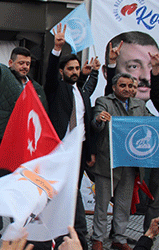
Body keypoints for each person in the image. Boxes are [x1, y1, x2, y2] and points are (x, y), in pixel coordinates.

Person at [0, 10, 48, 248]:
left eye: (28, 64)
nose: (24, 67)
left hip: (25, 149)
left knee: (22, 192)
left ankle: (18, 234)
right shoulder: (0, 75)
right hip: (0, 143)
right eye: (21, 63)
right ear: (11, 63)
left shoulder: (36, 88)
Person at [101, 32, 159, 231]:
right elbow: (157, 95)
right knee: (157, 204)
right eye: (133, 66)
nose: (142, 78)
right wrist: (156, 70)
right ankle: (148, 238)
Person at [43, 26, 99, 250]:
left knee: (72, 197)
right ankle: (54, 238)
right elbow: (49, 79)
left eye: (77, 68)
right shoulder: (57, 89)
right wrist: (57, 48)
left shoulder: (80, 92)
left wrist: (89, 153)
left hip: (77, 154)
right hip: (58, 152)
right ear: (62, 71)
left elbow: (85, 125)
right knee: (58, 197)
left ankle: (77, 240)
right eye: (70, 68)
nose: (74, 71)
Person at [90, 74, 154, 250]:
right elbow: (95, 124)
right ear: (114, 87)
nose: (126, 89)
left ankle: (119, 238)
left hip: (130, 163)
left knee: (123, 205)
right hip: (108, 162)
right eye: (122, 85)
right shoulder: (104, 101)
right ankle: (98, 238)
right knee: (102, 205)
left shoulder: (139, 105)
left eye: (130, 86)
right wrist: (98, 119)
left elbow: (151, 124)